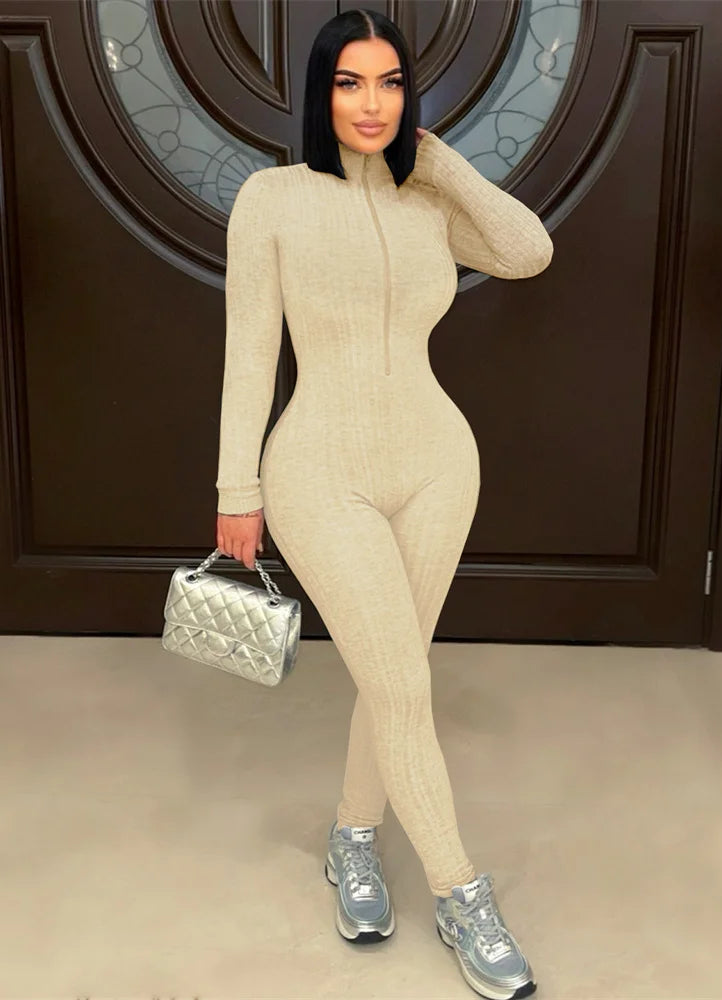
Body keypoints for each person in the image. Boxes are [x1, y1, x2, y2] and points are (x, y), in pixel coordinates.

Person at [215, 8, 552, 999]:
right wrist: (237, 490)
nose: (373, 104)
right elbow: (250, 354)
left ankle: (353, 838)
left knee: (392, 673)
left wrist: (441, 165)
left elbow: (528, 250)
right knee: (402, 685)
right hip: (319, 469)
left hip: (439, 462)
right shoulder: (272, 199)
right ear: (319, 93)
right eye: (350, 82)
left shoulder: (427, 199)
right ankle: (462, 892)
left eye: (391, 82)